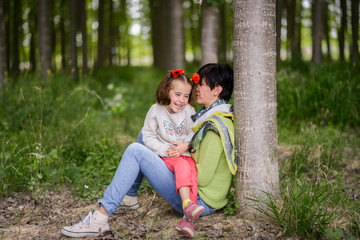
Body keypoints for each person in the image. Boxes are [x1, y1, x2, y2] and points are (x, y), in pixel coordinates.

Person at [61, 63, 237, 239]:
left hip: (197, 199)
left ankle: (99, 218)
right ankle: (129, 196)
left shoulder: (215, 127)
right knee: (146, 135)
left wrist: (176, 154)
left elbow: (203, 178)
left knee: (136, 151)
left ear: (217, 90)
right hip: (193, 185)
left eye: (202, 84)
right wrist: (173, 151)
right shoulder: (211, 116)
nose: (196, 88)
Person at [142, 69, 204, 220]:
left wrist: (185, 145)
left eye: (186, 96)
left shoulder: (189, 110)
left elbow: (192, 131)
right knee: (182, 166)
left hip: (184, 153)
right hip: (168, 155)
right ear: (166, 91)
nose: (181, 100)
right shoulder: (156, 110)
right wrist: (165, 149)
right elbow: (147, 135)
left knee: (192, 174)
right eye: (177, 94)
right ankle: (187, 204)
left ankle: (188, 217)